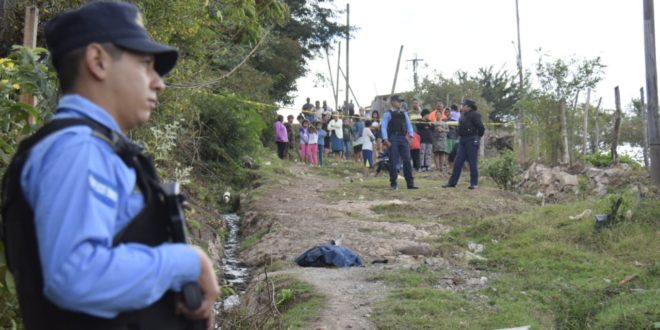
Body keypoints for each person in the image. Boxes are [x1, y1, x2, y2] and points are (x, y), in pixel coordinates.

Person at [0, 2, 219, 330]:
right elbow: (76, 273)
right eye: (146, 64)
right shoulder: (77, 150)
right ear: (98, 61)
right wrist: (188, 262)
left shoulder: (98, 148)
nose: (159, 82)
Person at [443, 99, 486, 189]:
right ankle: (452, 183)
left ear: (469, 107)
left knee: (472, 162)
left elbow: (481, 127)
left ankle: (474, 183)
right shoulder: (462, 115)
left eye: (464, 105)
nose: (462, 107)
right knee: (458, 161)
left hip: (472, 139)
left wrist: (477, 137)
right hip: (462, 140)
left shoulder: (475, 115)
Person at [381, 95, 418, 190]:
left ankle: (410, 184)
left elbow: (409, 125)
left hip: (403, 138)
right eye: (398, 101)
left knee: (407, 160)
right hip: (393, 138)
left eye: (401, 101)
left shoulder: (404, 113)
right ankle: (393, 184)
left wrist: (411, 136)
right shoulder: (388, 114)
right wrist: (385, 139)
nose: (400, 103)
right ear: (393, 102)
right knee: (393, 161)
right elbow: (384, 127)